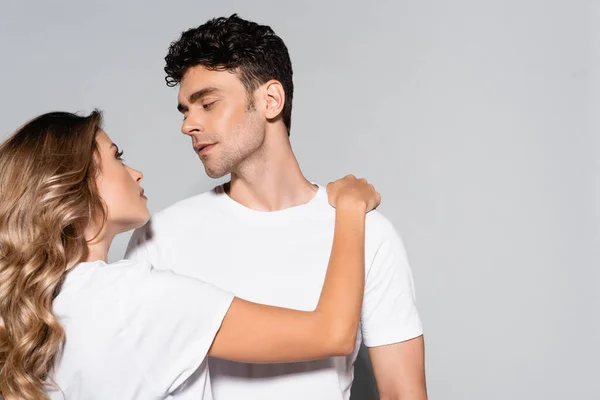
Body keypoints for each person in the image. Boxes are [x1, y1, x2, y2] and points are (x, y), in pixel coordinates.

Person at [126, 13, 427, 400]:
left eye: (207, 104)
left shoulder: (367, 234)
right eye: (185, 110)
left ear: (270, 100)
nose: (188, 125)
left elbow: (404, 393)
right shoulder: (160, 238)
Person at [0, 110, 381, 400]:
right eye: (117, 157)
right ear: (76, 183)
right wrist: (349, 208)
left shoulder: (43, 309)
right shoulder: (130, 297)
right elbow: (332, 333)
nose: (136, 173)